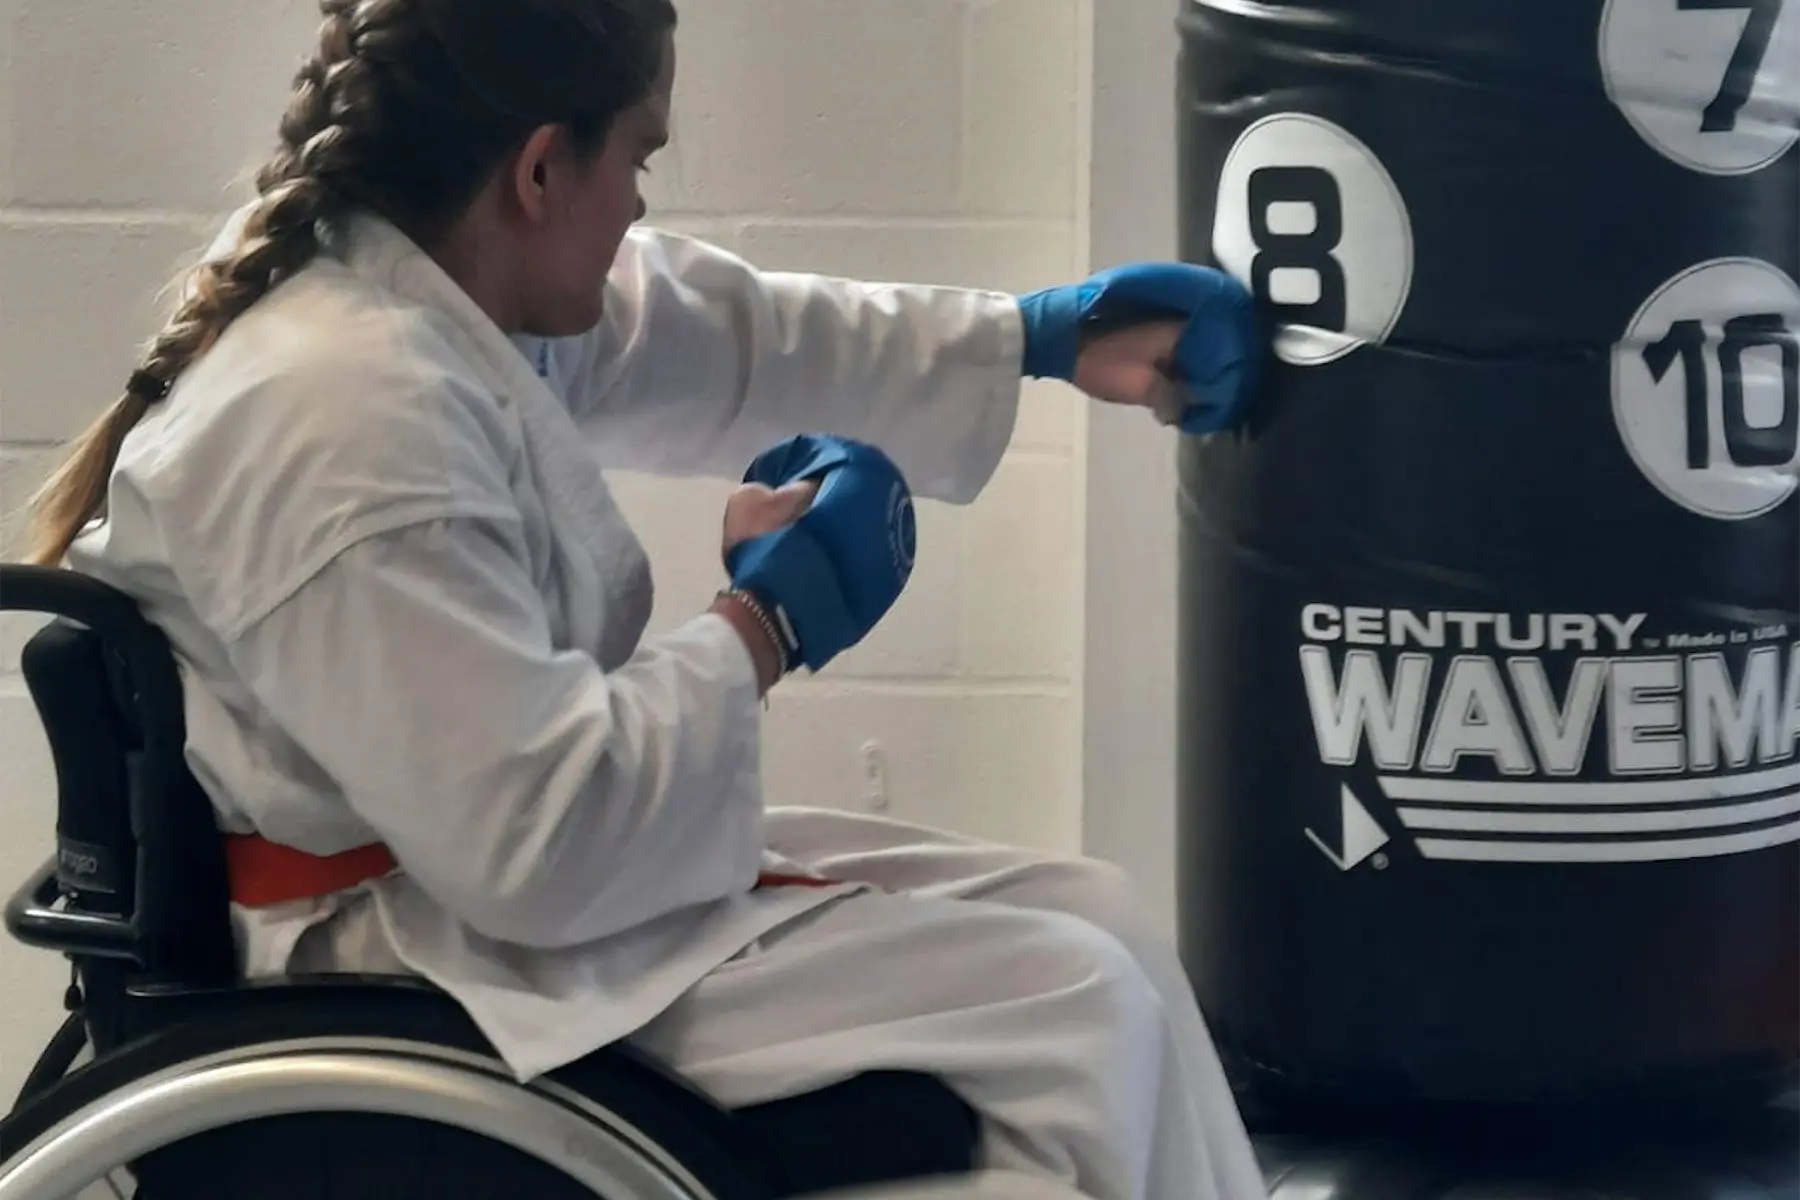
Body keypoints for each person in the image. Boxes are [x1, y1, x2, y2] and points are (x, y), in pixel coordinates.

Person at [20, 2, 1267, 1197]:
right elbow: (539, 846)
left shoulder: (425, 303)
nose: (641, 204)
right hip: (407, 956)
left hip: (460, 886)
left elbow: (728, 336)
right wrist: (764, 626)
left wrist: (1034, 339)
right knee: (1074, 1011)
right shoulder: (346, 419)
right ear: (543, 170)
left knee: (1094, 917)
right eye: (641, 154)